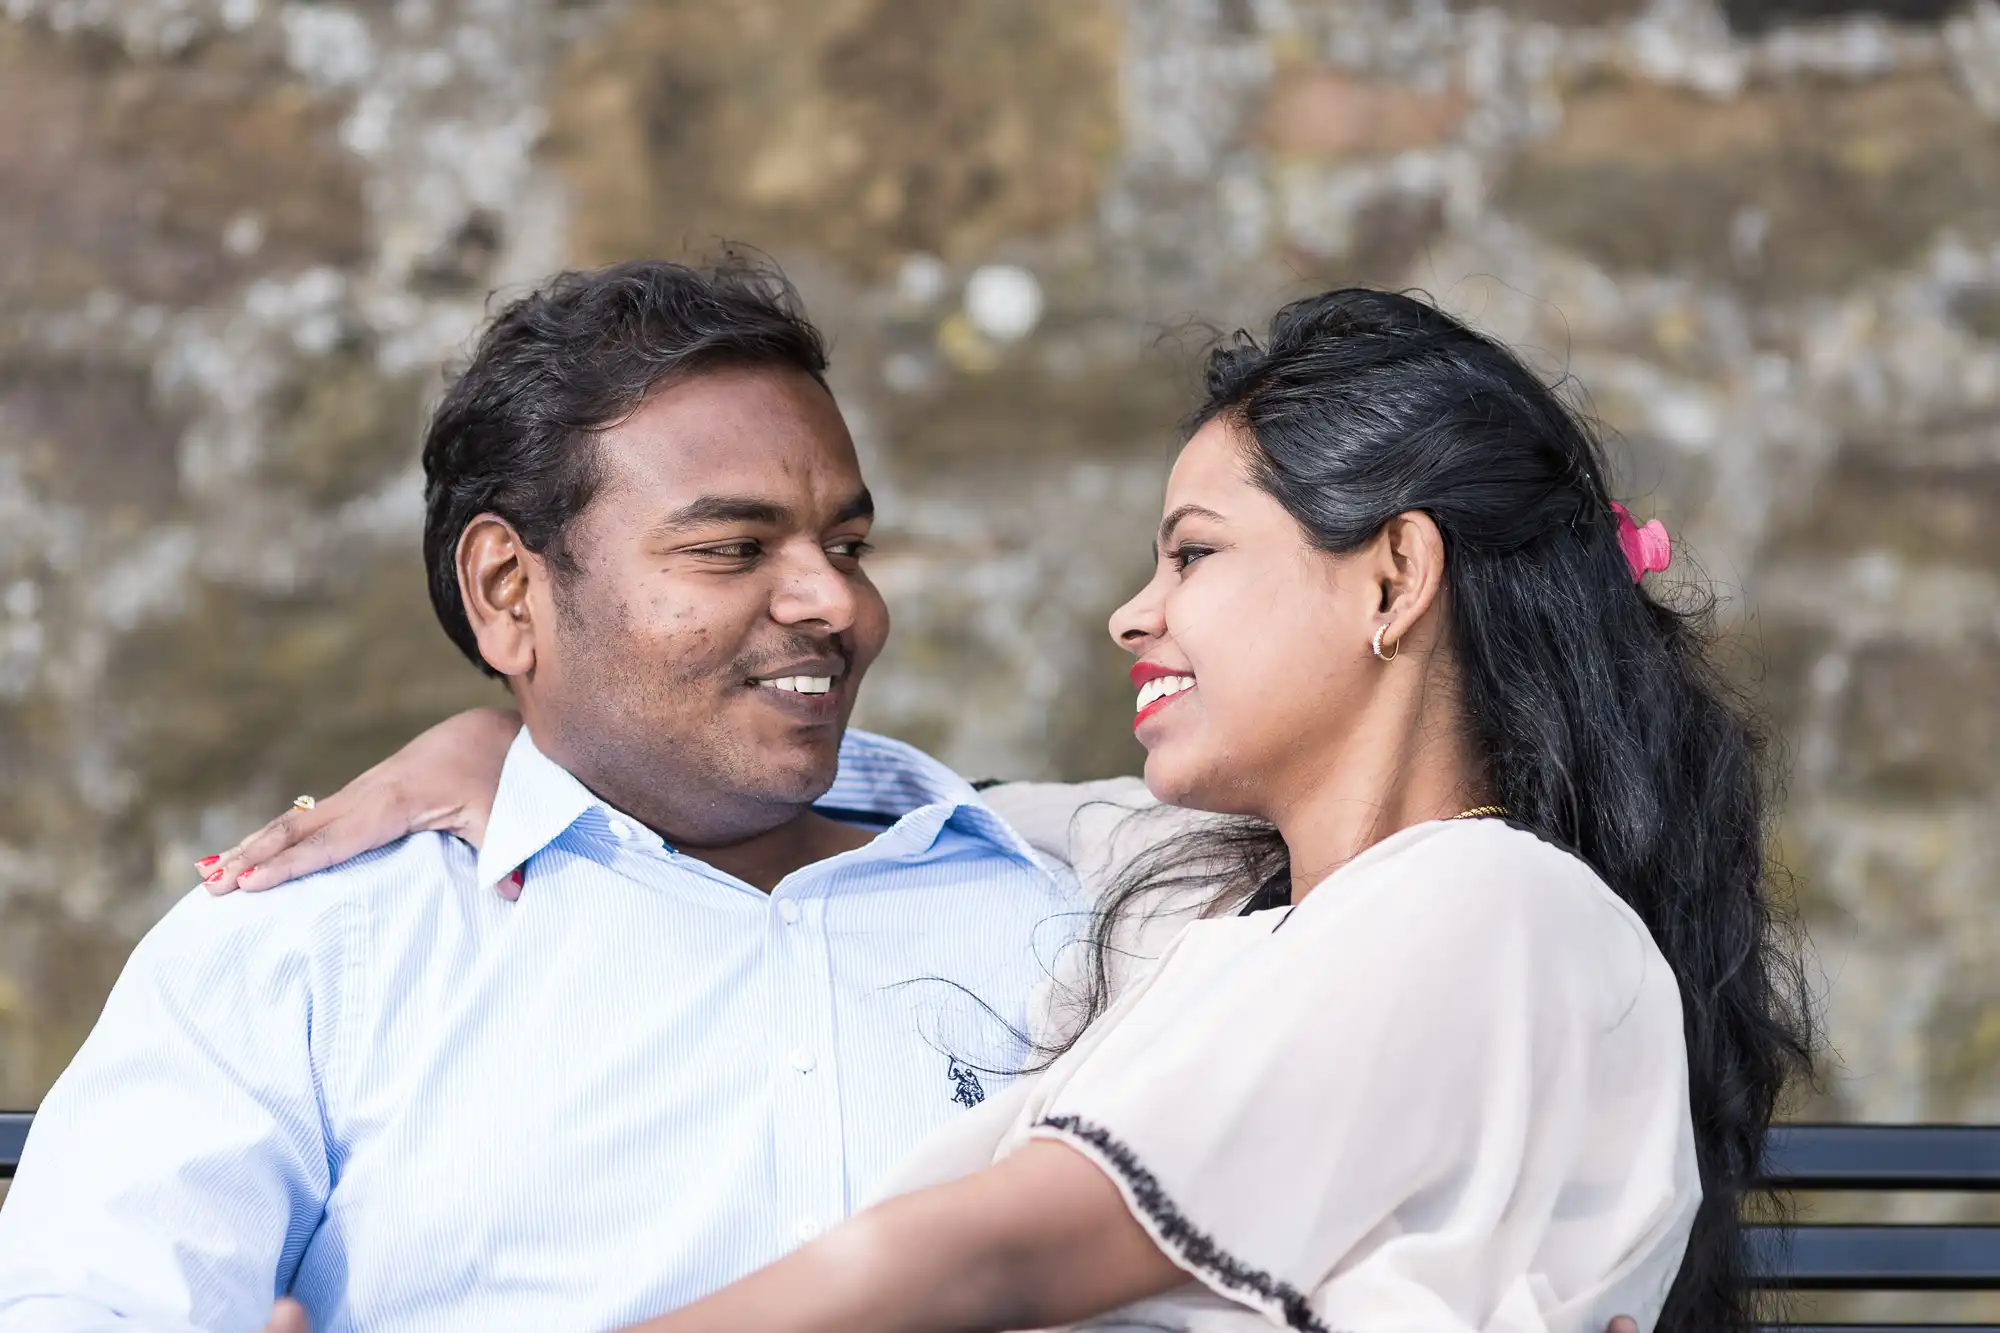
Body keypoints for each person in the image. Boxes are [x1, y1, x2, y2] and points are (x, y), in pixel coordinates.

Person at [202, 288, 1813, 1332]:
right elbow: (954, 805)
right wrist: (512, 738)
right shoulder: (1220, 900)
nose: (1132, 612)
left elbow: (974, 1260)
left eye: (1191, 553)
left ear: (1393, 575)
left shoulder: (1474, 911)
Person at [0, 260, 1085, 1332]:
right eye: (731, 548)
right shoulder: (316, 951)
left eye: (846, 545)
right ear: (507, 591)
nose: (835, 602)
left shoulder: (1075, 914)